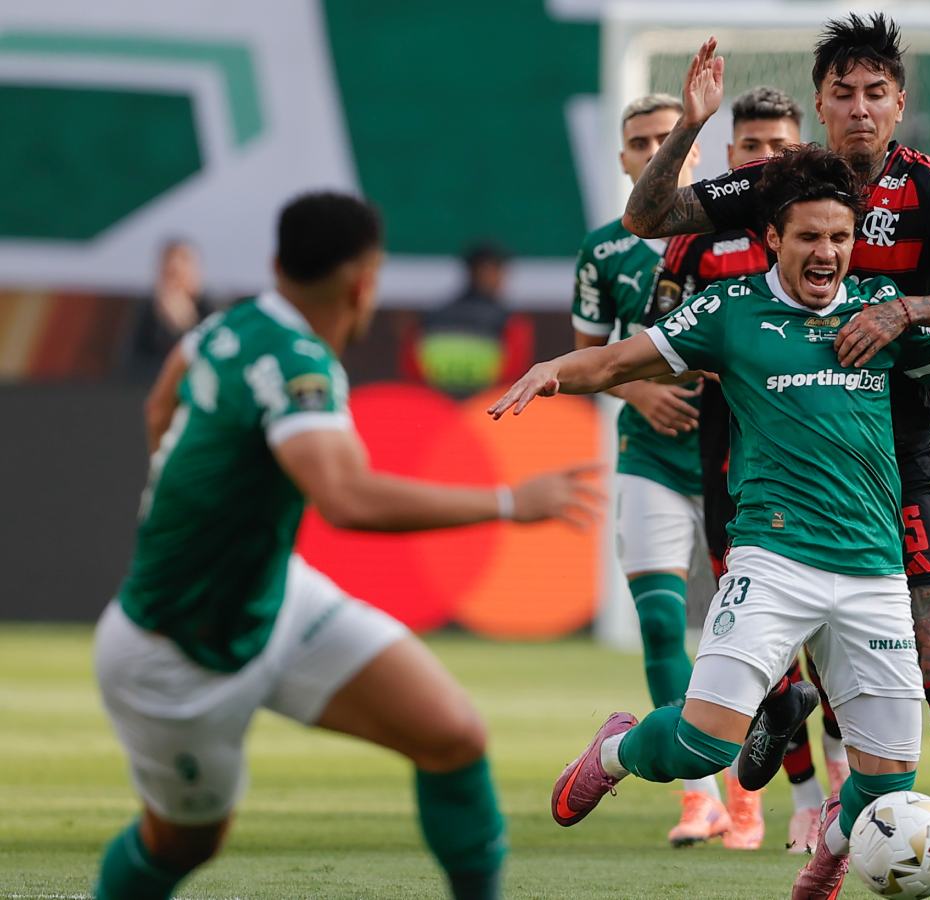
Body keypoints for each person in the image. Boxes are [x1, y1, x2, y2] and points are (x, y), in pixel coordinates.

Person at [491, 144, 930, 900]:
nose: (827, 253)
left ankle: (827, 859)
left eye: (840, 237)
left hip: (874, 573)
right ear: (774, 237)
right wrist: (553, 371)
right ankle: (614, 752)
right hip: (775, 561)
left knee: (890, 781)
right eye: (809, 236)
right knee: (703, 744)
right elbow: (619, 362)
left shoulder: (878, 312)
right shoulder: (731, 309)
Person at [94, 192, 602, 900]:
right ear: (366, 281)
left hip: (272, 593)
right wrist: (511, 502)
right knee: (182, 843)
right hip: (176, 650)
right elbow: (347, 498)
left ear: (277, 264)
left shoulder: (228, 325)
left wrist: (191, 502)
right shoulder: (303, 366)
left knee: (452, 737)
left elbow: (160, 403)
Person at [622, 18, 930, 896]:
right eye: (843, 93)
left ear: (900, 104)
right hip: (764, 436)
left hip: (892, 446)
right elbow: (649, 217)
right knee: (763, 617)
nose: (860, 109)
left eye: (876, 92)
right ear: (821, 105)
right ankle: (768, 721)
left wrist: (908, 313)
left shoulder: (929, 190)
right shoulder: (783, 182)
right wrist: (689, 126)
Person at [653, 83, 848, 854]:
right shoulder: (697, 243)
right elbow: (662, 337)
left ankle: (839, 787)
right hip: (729, 460)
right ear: (733, 159)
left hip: (828, 462)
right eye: (752, 148)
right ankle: (802, 800)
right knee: (765, 650)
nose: (766, 158)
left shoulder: (830, 233)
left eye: (780, 147)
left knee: (837, 643)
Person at [572, 92, 760, 847]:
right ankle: (699, 796)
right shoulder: (604, 249)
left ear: (696, 153)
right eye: (639, 141)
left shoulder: (737, 234)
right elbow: (589, 350)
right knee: (656, 621)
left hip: (736, 456)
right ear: (623, 158)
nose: (655, 150)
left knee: (748, 635)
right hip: (649, 455)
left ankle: (754, 798)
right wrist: (640, 390)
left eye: (668, 138)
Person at [409, 240, 533, 398]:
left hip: (437, 405)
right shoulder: (510, 322)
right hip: (486, 408)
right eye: (498, 271)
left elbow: (413, 370)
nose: (502, 278)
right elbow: (514, 374)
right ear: (482, 271)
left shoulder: (432, 317)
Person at [123, 239, 208, 382]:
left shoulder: (209, 309)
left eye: (180, 273)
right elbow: (131, 362)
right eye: (170, 274)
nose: (175, 282)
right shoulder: (146, 310)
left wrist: (186, 323)